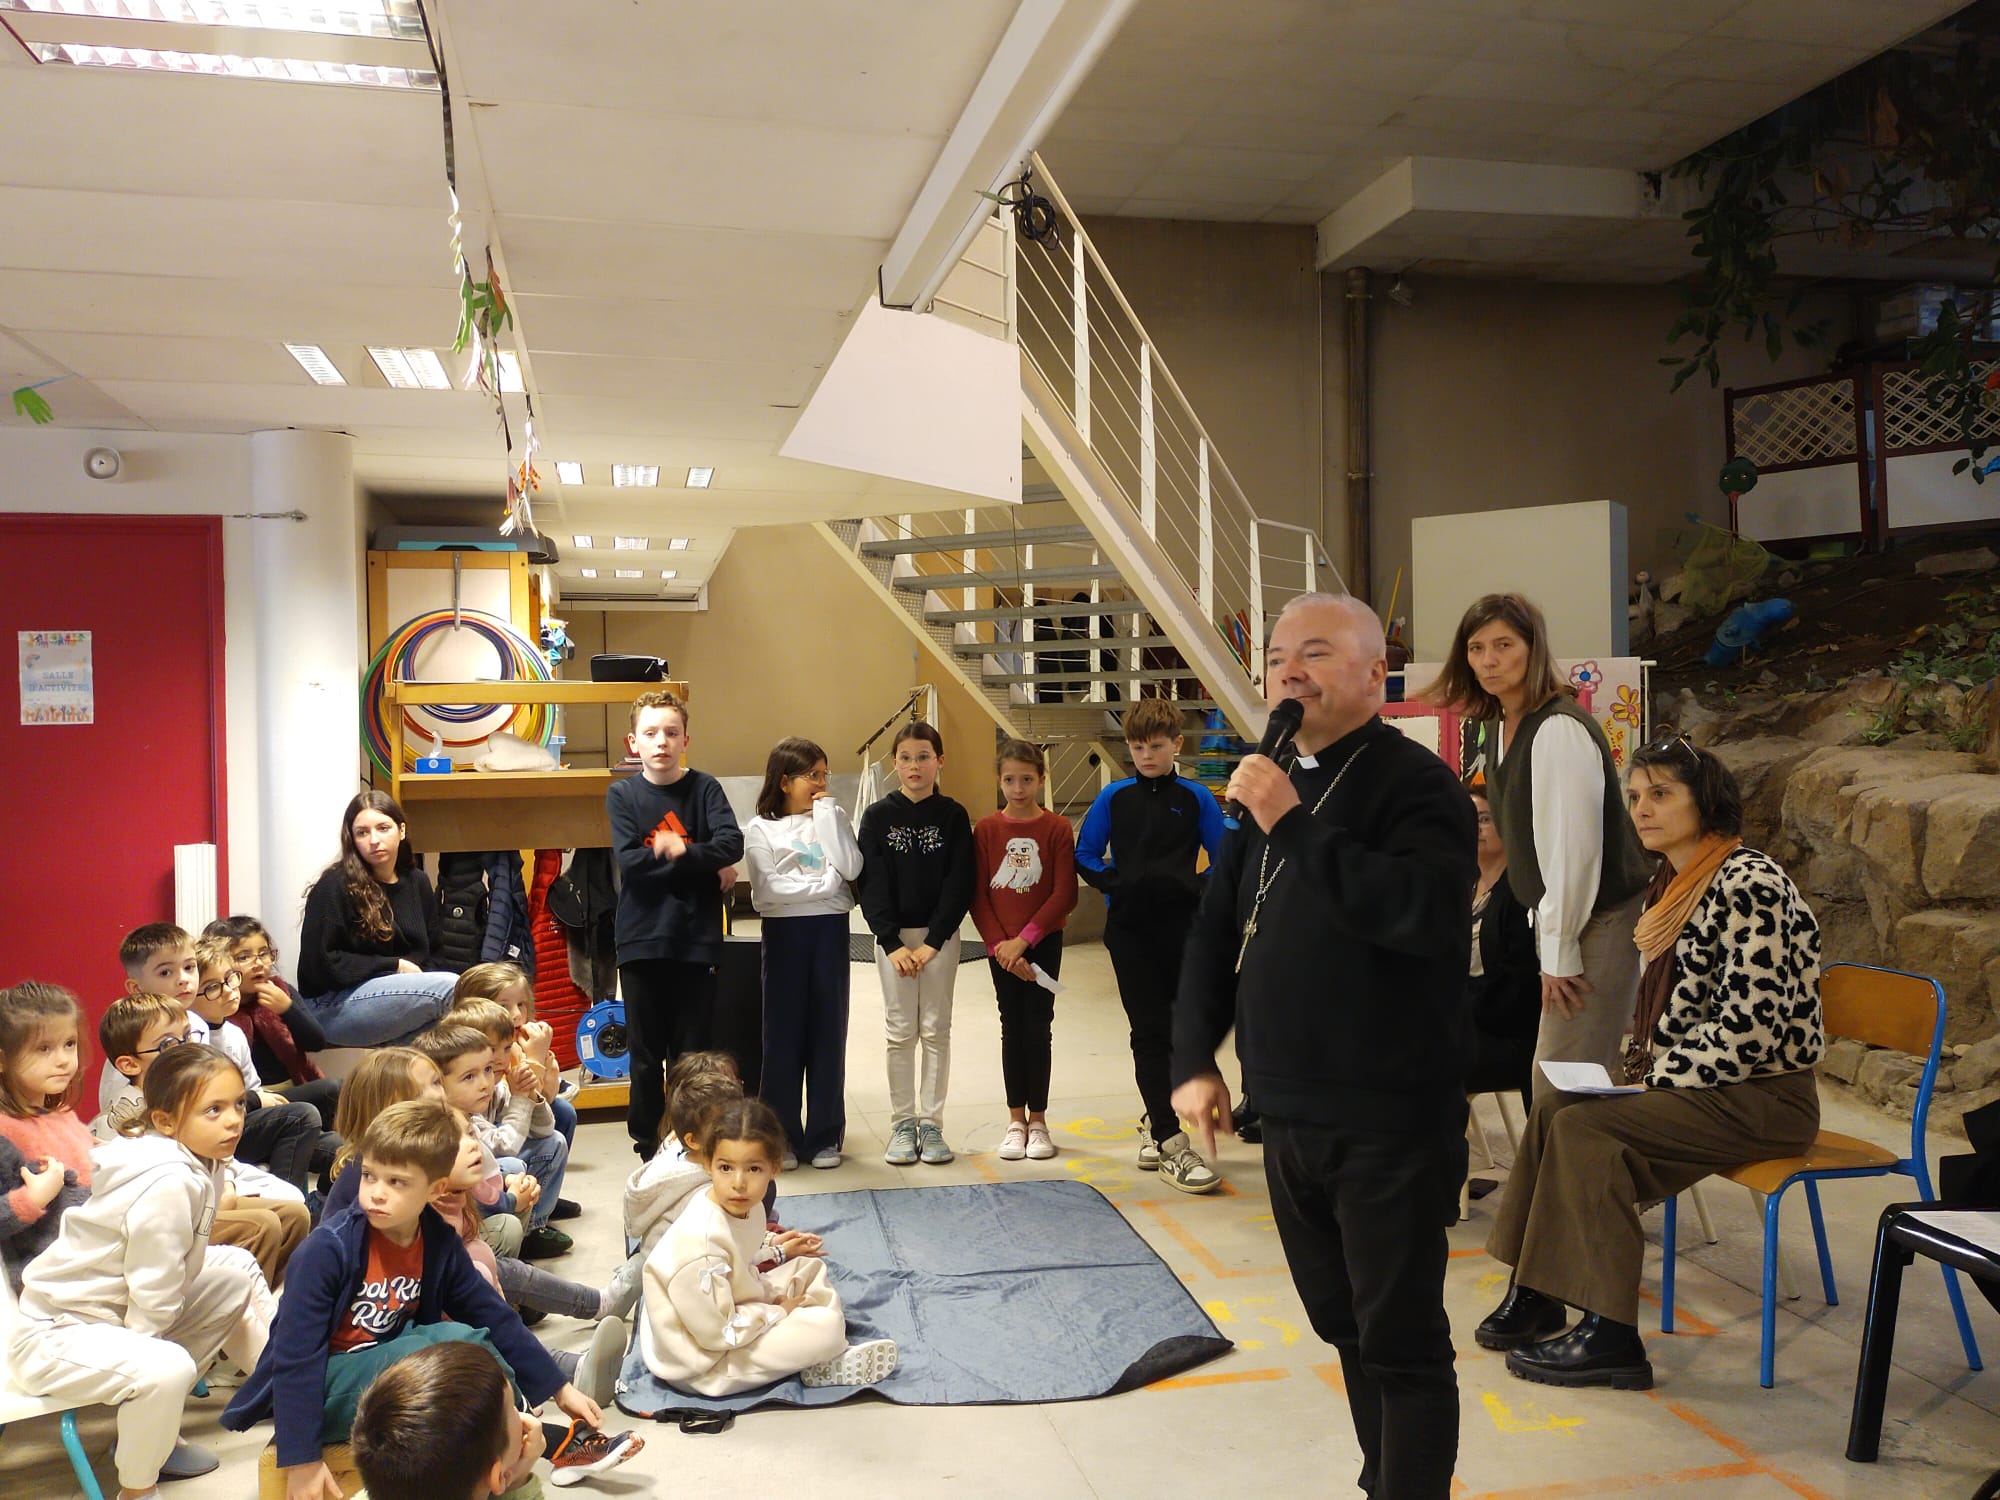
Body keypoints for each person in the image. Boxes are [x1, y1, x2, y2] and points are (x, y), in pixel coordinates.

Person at [1172, 592, 1477, 1500]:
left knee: (1401, 1342)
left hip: (1388, 1117)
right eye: (1275, 658)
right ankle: (1384, 1479)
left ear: (1376, 674)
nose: (1288, 672)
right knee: (1344, 1325)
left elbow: (1420, 915)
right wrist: (1194, 1058)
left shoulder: (1418, 786)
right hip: (1288, 1113)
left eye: (1313, 653)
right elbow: (1216, 929)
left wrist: (1293, 823)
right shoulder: (1274, 783)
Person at [1478, 737, 1824, 1390]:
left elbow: (1748, 1032)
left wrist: (1648, 1082)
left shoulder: (1750, 882)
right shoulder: (1671, 884)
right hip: (1704, 1088)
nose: (1641, 808)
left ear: (1707, 801)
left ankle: (1611, 1334)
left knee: (1588, 1131)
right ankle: (1539, 1289)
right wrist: (1638, 1076)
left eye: (1661, 794)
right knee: (1556, 1105)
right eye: (1635, 796)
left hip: (1764, 1097)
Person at [221, 1099, 607, 1500]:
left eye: (397, 1182)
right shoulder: (326, 1251)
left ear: (436, 1188)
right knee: (450, 1346)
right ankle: (536, 1438)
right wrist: (301, 1460)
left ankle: (515, 1435)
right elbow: (295, 1356)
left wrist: (559, 1388)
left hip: (391, 1372)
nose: (377, 1193)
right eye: (369, 1176)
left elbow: (492, 1315)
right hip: (323, 1384)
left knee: (463, 1341)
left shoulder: (436, 1239)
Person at [12, 1045, 269, 1500]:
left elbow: (168, 1278)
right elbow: (153, 1285)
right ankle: (138, 1489)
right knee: (166, 1367)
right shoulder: (168, 1179)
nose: (233, 1120)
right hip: (56, 1337)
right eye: (213, 1110)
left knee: (232, 1279)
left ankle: (166, 1430)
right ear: (166, 1121)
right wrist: (154, 1363)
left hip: (111, 1321)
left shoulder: (201, 1161)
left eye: (237, 1105)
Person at [1423, 595, 1652, 1101]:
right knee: (1559, 1082)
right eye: (1477, 648)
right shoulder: (1505, 725)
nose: (1489, 660)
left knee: (1566, 1084)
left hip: (1597, 919)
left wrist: (1561, 949)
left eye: (1504, 645)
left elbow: (1573, 851)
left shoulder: (1556, 728)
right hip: (1565, 922)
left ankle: (1587, 1160)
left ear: (1533, 649)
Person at [640, 1097, 894, 1395]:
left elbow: (739, 1261)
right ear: (707, 1164)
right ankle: (825, 1353)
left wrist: (776, 1252)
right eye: (725, 1167)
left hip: (727, 1308)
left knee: (808, 1268)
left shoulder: (748, 1206)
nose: (738, 1182)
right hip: (701, 1362)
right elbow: (717, 1335)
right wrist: (777, 1311)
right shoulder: (702, 1244)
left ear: (774, 1168)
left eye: (753, 1169)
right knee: (826, 1328)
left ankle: (812, 1349)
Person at [1076, 697, 1225, 1192]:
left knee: (1181, 1033)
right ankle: (1169, 1140)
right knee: (1148, 1032)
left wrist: (1197, 888)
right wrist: (1116, 886)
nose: (1146, 756)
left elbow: (1226, 858)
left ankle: (1153, 1118)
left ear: (1177, 744)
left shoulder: (1196, 797)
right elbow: (1085, 853)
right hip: (1130, 933)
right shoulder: (1114, 797)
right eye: (1138, 748)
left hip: (1183, 931)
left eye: (1156, 747)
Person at [607, 689, 744, 1156]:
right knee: (645, 1055)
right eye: (650, 733)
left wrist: (684, 849)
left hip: (695, 941)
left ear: (686, 739)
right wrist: (705, 864)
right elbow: (631, 862)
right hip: (640, 941)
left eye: (671, 732)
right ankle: (648, 1144)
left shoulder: (705, 789)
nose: (661, 741)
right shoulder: (622, 794)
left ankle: (691, 1140)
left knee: (692, 1055)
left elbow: (732, 844)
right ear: (633, 742)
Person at [96, 993, 311, 1285]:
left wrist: (226, 1186)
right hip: (167, 1219)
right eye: (168, 1044)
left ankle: (263, 1292)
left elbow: (218, 1161)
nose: (186, 1048)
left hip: (206, 1197)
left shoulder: (195, 1087)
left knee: (296, 1214)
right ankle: (234, 1300)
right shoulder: (127, 1117)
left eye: (188, 1036)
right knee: (263, 1226)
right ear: (130, 1064)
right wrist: (217, 1197)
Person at [857, 721, 975, 1167]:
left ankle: (932, 1123)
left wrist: (935, 940)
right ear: (895, 763)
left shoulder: (953, 816)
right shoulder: (877, 817)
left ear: (939, 761)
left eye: (924, 757)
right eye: (905, 758)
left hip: (938, 939)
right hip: (894, 943)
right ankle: (903, 1123)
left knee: (936, 1029)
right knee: (900, 1031)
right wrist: (890, 942)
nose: (914, 766)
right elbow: (870, 884)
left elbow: (959, 882)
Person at [743, 735, 863, 1171]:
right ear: (784, 780)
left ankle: (826, 1135)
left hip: (829, 931)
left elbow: (850, 868)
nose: (821, 782)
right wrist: (825, 885)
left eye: (824, 774)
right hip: (784, 934)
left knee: (828, 1031)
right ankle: (782, 1137)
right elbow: (767, 891)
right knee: (782, 1036)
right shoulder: (760, 828)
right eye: (812, 775)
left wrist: (828, 815)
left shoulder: (833, 815)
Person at [349, 1336, 640, 1499]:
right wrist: (519, 1479)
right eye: (513, 1408)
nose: (523, 1413)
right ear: (497, 1477)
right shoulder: (506, 1479)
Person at [969, 738, 1078, 1162]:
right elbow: (978, 895)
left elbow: (1063, 893)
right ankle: (1015, 1120)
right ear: (999, 781)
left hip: (1042, 943)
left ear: (1041, 780)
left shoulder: (1057, 828)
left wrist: (1025, 940)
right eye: (1010, 780)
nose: (1018, 789)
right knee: (1012, 1027)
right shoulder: (986, 830)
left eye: (1027, 780)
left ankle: (1039, 1121)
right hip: (1001, 949)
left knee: (1039, 1026)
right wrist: (1000, 946)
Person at [298, 791, 459, 1048]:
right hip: (330, 1004)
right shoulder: (334, 886)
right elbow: (322, 966)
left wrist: (412, 977)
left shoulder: (417, 881)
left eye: (383, 828)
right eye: (362, 833)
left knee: (454, 1028)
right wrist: (394, 966)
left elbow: (435, 953)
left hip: (394, 997)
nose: (374, 840)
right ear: (352, 839)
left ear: (401, 830)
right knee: (453, 988)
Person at [189, 936, 333, 1196]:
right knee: (301, 1116)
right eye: (212, 988)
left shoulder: (233, 1033)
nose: (229, 990)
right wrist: (256, 1100)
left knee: (345, 1149)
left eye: (230, 979)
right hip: (219, 1125)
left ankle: (321, 1202)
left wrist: (258, 1100)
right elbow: (203, 1103)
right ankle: (287, 1205)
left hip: (247, 1112)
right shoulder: (191, 1037)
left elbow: (254, 1086)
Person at [413, 1022, 567, 1259]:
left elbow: (546, 1129)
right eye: (469, 1077)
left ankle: (529, 1235)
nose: (485, 1083)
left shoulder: (478, 1104)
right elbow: (482, 1187)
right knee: (508, 1225)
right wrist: (513, 1199)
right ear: (439, 1084)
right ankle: (512, 1257)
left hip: (477, 1206)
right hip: (457, 1235)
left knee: (527, 1162)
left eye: (487, 1070)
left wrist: (530, 1093)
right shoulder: (448, 1131)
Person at [445, 996, 577, 1249]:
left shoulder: (494, 1086)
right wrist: (520, 1099)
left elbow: (545, 1130)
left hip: (490, 1176)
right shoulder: (459, 1107)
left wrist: (530, 1094)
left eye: (506, 1048)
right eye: (491, 1049)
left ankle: (534, 1226)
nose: (499, 1059)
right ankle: (522, 1231)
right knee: (513, 1165)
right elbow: (504, 1147)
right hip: (476, 1192)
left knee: (555, 1140)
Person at [202, 915, 342, 1132]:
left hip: (295, 1086)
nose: (259, 963)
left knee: (338, 1093)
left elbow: (316, 1042)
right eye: (244, 957)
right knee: (332, 1089)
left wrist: (287, 1009)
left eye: (263, 953)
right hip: (253, 1098)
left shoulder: (281, 989)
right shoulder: (217, 1005)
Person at [0, 981, 94, 1290]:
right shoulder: (5, 1132)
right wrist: (32, 1198)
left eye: (69, 1043)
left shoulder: (61, 1113)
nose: (64, 1059)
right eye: (44, 1048)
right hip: (49, 1280)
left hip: (93, 1255)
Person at [1463, 784, 1542, 1117]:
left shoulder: (1521, 893)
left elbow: (1519, 988)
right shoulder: (1463, 884)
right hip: (1466, 1023)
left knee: (1424, 1063)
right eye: (1467, 818)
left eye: (1483, 819)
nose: (1474, 828)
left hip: (1509, 1034)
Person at [453, 961, 579, 1161]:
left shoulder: (520, 1046)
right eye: (504, 1006)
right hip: (485, 1140)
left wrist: (540, 1065)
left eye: (521, 1004)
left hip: (508, 1122)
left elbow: (548, 1099)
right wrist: (534, 1061)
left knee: (563, 1112)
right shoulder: (470, 1058)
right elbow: (507, 1118)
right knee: (514, 1163)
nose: (517, 1015)